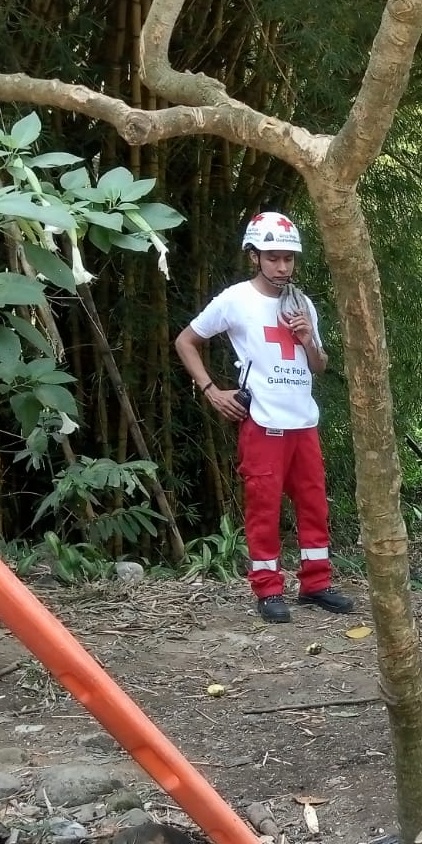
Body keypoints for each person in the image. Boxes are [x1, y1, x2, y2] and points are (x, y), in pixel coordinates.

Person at [174, 212, 355, 623]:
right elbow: (186, 340)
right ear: (254, 256)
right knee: (264, 508)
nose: (282, 267)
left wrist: (309, 340)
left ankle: (316, 584)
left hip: (303, 422)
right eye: (273, 258)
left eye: (289, 259)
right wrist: (210, 390)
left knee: (313, 507)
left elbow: (320, 365)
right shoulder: (235, 299)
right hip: (263, 423)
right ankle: (268, 589)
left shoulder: (301, 302)